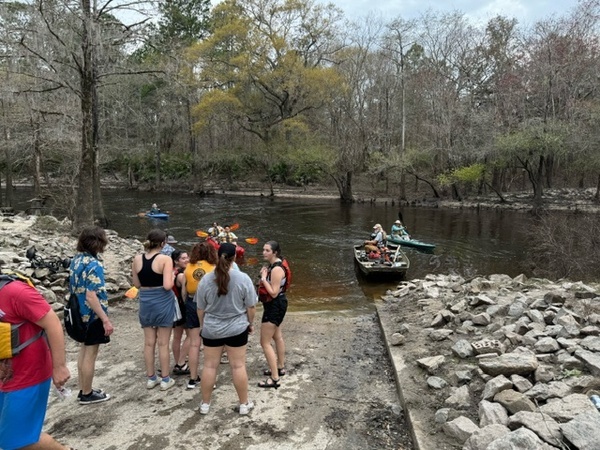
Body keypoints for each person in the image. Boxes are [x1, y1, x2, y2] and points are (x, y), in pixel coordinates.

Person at [0, 276, 71, 449]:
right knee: (12, 434)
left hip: (27, 376)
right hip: (4, 378)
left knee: (15, 441)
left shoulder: (16, 292)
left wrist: (59, 367)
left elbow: (53, 323)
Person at [195, 243, 257, 415]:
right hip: (237, 328)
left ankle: (205, 404)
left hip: (212, 328)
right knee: (238, 366)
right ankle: (244, 404)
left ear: (217, 257)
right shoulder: (243, 278)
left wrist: (202, 326)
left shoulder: (206, 280)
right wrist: (250, 324)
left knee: (209, 366)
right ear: (234, 258)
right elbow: (251, 307)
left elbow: (200, 308)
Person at [69, 226, 114, 405]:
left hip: (78, 313)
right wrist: (105, 319)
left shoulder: (77, 260)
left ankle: (83, 388)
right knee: (91, 353)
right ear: (98, 242)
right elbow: (91, 295)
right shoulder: (94, 264)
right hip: (92, 315)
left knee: (84, 350)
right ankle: (87, 393)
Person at [132, 229, 176, 391]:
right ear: (163, 243)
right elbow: (167, 285)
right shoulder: (165, 259)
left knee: (149, 343)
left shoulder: (137, 259)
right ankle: (165, 379)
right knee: (163, 343)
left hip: (145, 301)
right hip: (162, 301)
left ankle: (151, 378)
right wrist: (172, 275)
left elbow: (136, 284)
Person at [182, 241, 217, 389]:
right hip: (209, 305)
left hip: (192, 302)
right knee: (211, 343)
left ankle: (193, 378)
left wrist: (187, 305)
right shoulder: (214, 268)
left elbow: (184, 291)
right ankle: (210, 379)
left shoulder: (188, 268)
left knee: (194, 342)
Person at [257, 240, 288, 389]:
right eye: (263, 250)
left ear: (275, 253)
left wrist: (263, 278)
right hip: (278, 304)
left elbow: (274, 293)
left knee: (265, 342)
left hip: (274, 305)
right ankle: (280, 367)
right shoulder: (274, 265)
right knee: (277, 336)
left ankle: (274, 378)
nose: (264, 252)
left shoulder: (276, 269)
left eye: (267, 250)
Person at [171, 250, 191, 376]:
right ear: (176, 261)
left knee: (177, 336)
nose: (187, 259)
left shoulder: (172, 272)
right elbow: (186, 292)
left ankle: (178, 361)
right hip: (183, 306)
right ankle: (181, 363)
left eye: (187, 257)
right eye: (183, 258)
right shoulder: (181, 275)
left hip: (176, 306)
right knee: (191, 335)